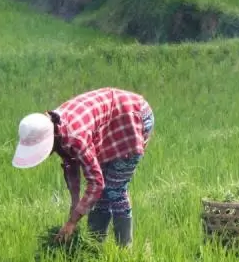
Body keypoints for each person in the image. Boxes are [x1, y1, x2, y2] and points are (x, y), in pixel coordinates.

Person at [12, 88, 154, 246]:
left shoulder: (75, 136)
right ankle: (95, 246)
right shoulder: (56, 129)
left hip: (133, 117)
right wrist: (75, 206)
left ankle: (125, 250)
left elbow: (96, 182)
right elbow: (71, 163)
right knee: (101, 193)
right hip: (110, 124)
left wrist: (72, 222)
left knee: (114, 189)